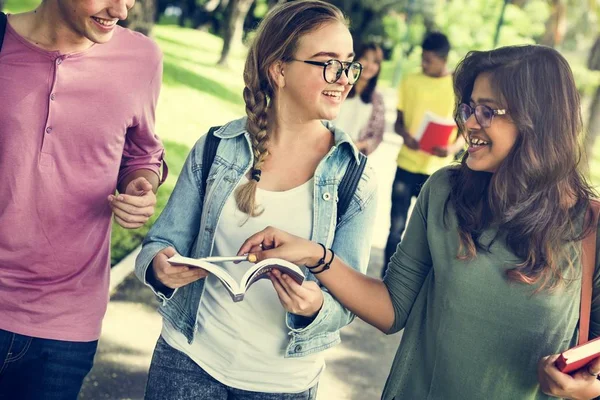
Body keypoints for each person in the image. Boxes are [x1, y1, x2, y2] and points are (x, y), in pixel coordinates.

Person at [238, 45, 600, 400]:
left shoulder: (590, 228)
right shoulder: (445, 192)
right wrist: (315, 255)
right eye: (469, 107)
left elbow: (595, 359)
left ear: (539, 122)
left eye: (488, 111)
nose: (468, 123)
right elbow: (393, 308)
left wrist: (588, 388)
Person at [134, 1, 377, 399]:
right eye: (328, 63)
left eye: (349, 65)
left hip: (282, 384)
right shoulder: (217, 147)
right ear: (279, 69)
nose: (345, 78)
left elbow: (345, 305)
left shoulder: (355, 176)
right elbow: (158, 246)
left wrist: (314, 305)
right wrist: (161, 269)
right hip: (188, 362)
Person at [0, 1, 167, 398]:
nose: (121, 10)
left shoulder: (141, 58)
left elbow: (142, 151)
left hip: (66, 321)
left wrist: (141, 184)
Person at [383, 31, 465, 276]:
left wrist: (451, 148)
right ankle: (387, 279)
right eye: (423, 58)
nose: (424, 64)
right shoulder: (410, 80)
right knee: (395, 228)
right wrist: (406, 135)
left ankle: (418, 282)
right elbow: (398, 123)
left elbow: (464, 132)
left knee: (430, 234)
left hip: (437, 173)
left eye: (429, 60)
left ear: (443, 59)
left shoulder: (457, 88)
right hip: (406, 165)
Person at [333, 42, 385, 156]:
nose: (369, 65)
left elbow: (377, 135)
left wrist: (358, 146)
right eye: (365, 58)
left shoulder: (377, 100)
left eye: (375, 62)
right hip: (325, 145)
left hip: (351, 155)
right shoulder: (338, 85)